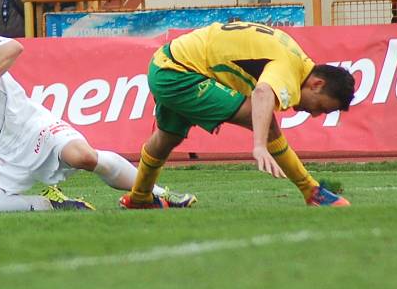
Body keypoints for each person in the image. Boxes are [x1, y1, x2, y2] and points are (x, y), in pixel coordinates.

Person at [0, 25, 197, 214]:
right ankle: (50, 204)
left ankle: (157, 193)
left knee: (82, 157)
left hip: (29, 126)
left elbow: (12, 48)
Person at [120, 21, 356, 210]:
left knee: (167, 137)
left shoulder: (296, 58)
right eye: (322, 108)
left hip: (167, 63)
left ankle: (140, 197)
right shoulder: (290, 68)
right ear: (317, 84)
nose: (315, 114)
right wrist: (259, 146)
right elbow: (263, 92)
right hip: (180, 72)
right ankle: (312, 192)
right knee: (265, 121)